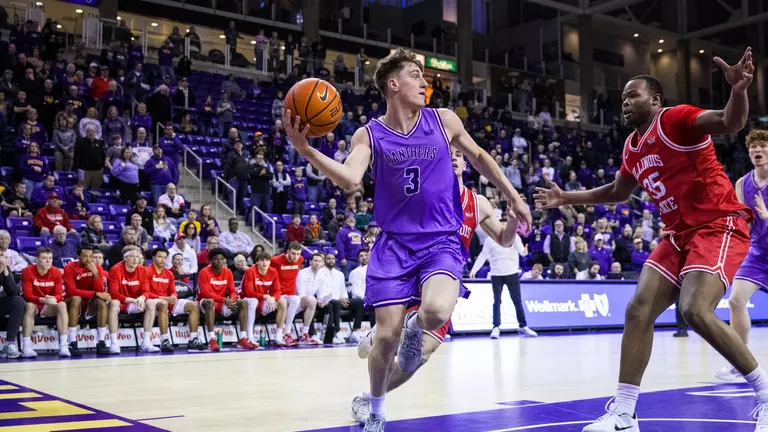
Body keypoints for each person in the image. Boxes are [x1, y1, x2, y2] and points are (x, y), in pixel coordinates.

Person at [285, 48, 530, 431]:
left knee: (434, 313)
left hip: (441, 241)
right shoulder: (369, 134)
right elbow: (350, 180)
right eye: (415, 75)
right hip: (394, 245)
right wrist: (305, 148)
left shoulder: (443, 120)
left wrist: (514, 196)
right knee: (384, 338)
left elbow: (480, 157)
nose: (424, 82)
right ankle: (377, 410)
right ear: (393, 84)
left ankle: (416, 326)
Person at [533, 51, 767, 431]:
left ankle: (765, 395)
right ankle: (624, 413)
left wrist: (739, 89)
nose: (625, 103)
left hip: (717, 224)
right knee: (638, 310)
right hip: (678, 234)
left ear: (655, 100)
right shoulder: (631, 146)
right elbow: (617, 191)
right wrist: (566, 197)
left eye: (633, 95)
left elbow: (730, 121)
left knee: (695, 310)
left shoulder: (676, 119)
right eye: (623, 98)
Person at [351, 146, 522, 423]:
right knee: (388, 343)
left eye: (459, 155)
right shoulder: (423, 191)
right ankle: (382, 346)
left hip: (444, 280)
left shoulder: (477, 203)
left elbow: (503, 239)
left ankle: (368, 397)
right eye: (448, 154)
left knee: (420, 356)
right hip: (414, 274)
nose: (454, 158)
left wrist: (513, 222)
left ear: (466, 165)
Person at [716, 129, 768, 381]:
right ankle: (741, 362)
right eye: (753, 147)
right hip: (758, 253)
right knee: (736, 300)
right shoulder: (742, 184)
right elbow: (742, 223)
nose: (758, 150)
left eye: (763, 146)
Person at [469, 230, 533, 339]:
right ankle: (496, 327)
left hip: (512, 273)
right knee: (497, 301)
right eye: (500, 223)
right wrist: (474, 270)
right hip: (496, 274)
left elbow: (521, 251)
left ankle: (523, 326)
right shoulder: (489, 239)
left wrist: (525, 252)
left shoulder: (514, 236)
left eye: (505, 223)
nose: (503, 226)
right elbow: (483, 255)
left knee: (517, 301)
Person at [145, 248, 206, 352]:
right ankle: (164, 340)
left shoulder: (168, 274)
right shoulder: (146, 271)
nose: (162, 260)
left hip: (168, 301)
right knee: (163, 304)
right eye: (160, 257)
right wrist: (166, 298)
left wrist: (173, 296)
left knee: (193, 305)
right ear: (153, 258)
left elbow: (173, 290)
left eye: (165, 257)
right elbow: (146, 293)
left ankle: (193, 339)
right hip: (153, 302)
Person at [196, 248, 256, 352]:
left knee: (243, 302)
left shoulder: (228, 272)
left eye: (222, 259)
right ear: (210, 261)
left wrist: (232, 300)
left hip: (222, 303)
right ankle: (211, 339)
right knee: (210, 302)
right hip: (204, 303)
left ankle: (242, 338)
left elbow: (232, 291)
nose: (219, 261)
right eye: (216, 259)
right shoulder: (204, 272)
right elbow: (205, 293)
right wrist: (225, 300)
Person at [20, 247, 70, 358]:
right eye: (44, 258)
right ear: (37, 259)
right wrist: (43, 299)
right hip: (34, 303)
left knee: (62, 305)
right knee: (30, 306)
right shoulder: (27, 271)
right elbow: (28, 296)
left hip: (48, 305)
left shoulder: (56, 272)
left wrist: (54, 299)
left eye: (50, 258)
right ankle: (26, 346)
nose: (48, 261)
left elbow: (58, 294)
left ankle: (63, 345)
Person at [63, 244, 111, 357]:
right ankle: (72, 342)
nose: (89, 259)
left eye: (91, 256)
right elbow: (71, 291)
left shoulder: (97, 267)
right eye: (85, 256)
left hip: (90, 302)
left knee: (101, 303)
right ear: (78, 256)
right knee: (76, 299)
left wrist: (96, 275)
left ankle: (101, 342)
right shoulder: (69, 267)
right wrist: (94, 293)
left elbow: (99, 290)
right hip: (73, 302)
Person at [107, 245, 156, 353]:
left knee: (151, 303)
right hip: (122, 302)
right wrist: (133, 300)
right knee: (114, 303)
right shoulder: (115, 270)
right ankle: (114, 343)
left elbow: (146, 291)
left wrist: (142, 298)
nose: (135, 259)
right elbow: (114, 293)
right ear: (125, 258)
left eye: (138, 257)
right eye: (132, 256)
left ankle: (146, 342)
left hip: (135, 302)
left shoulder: (143, 270)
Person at [241, 251, 287, 346]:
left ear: (270, 262)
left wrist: (273, 298)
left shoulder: (273, 271)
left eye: (267, 260)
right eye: (262, 260)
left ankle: (278, 335)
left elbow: (278, 291)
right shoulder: (250, 271)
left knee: (282, 301)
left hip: (262, 301)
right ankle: (250, 336)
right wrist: (266, 296)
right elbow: (249, 292)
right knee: (253, 301)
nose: (264, 263)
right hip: (246, 299)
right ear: (257, 262)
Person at [269, 242, 304, 346]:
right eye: (293, 253)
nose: (296, 256)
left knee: (296, 300)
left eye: (298, 254)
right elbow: (261, 266)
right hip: (277, 293)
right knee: (286, 302)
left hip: (290, 293)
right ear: (287, 252)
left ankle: (287, 333)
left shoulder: (301, 260)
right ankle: (279, 334)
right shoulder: (276, 260)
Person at [294, 253, 327, 345]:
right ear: (310, 262)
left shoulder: (322, 276)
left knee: (328, 305)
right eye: (315, 261)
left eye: (319, 261)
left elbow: (321, 294)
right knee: (312, 301)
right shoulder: (302, 273)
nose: (317, 263)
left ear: (322, 263)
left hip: (310, 302)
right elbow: (301, 294)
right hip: (296, 302)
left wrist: (321, 301)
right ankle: (306, 333)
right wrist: (314, 300)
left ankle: (331, 334)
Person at [0, 254, 24, 359]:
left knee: (18, 301)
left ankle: (9, 343)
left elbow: (14, 291)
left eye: (3, 256)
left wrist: (5, 271)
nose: (2, 258)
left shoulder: (4, 268)